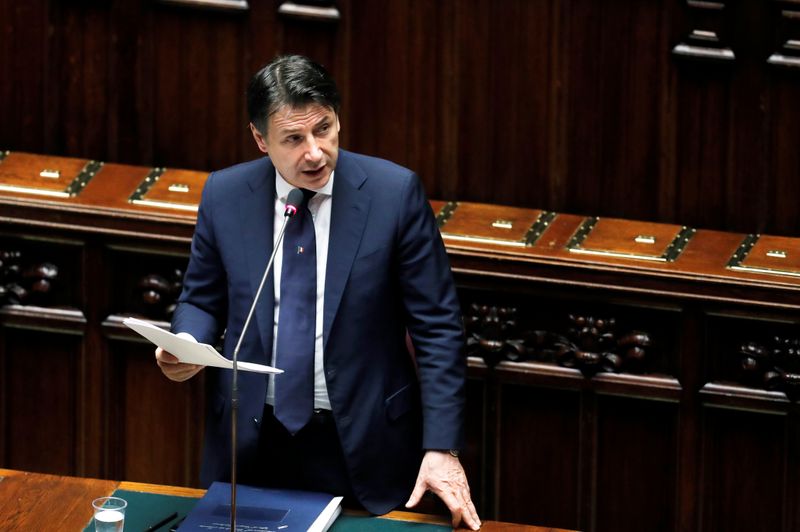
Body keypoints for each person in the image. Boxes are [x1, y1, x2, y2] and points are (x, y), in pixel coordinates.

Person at [155, 54, 481, 530]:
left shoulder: (393, 195)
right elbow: (202, 300)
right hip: (252, 441)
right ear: (260, 139)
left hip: (362, 444)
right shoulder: (225, 194)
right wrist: (186, 345)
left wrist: (441, 447)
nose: (315, 152)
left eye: (324, 129)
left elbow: (438, 329)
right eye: (293, 138)